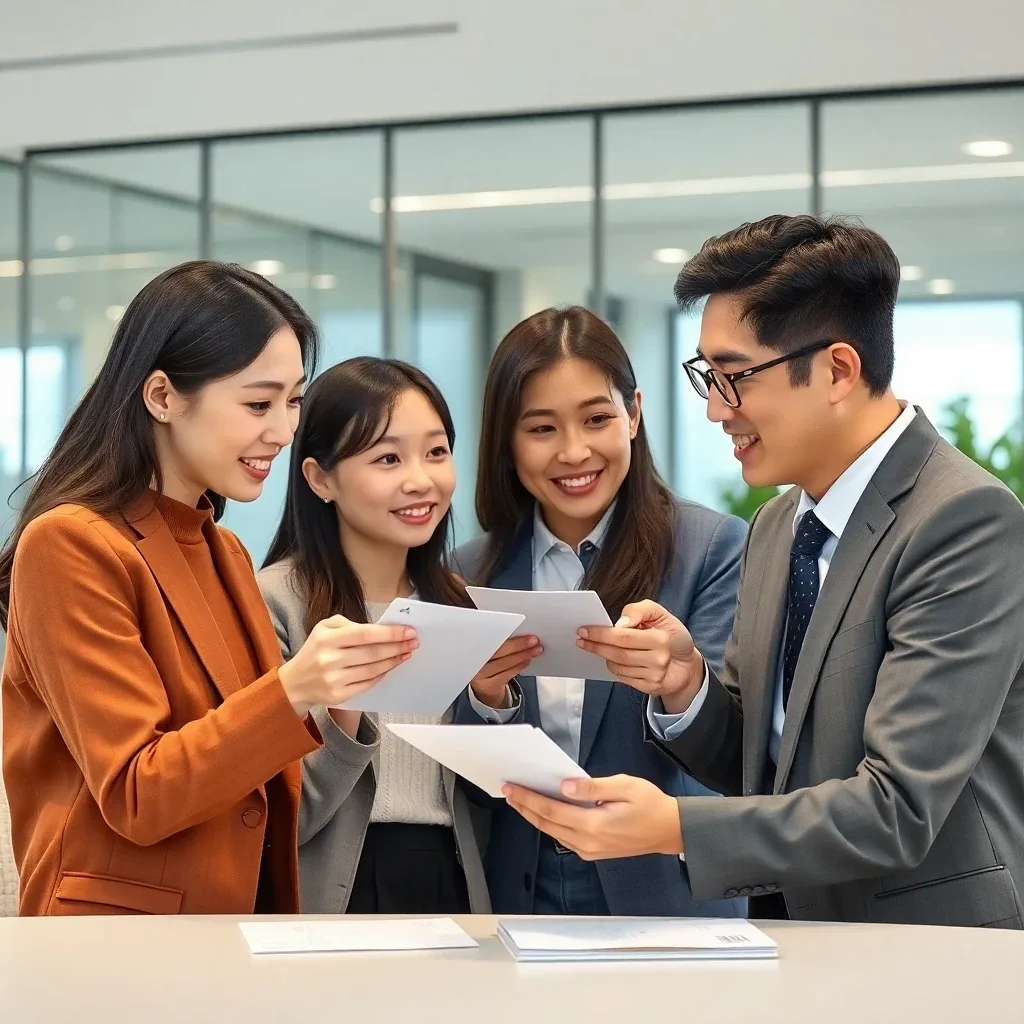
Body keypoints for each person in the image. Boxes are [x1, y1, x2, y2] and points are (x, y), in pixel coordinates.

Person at [502, 215, 1024, 930]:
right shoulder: (781, 526)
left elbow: (897, 809)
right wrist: (685, 682)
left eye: (735, 377)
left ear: (838, 370)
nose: (717, 409)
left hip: (929, 947)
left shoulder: (962, 520)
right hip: (793, 937)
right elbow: (760, 766)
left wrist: (674, 827)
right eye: (708, 378)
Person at [0, 262, 417, 916]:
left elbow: (255, 790)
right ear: (163, 397)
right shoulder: (70, 544)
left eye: (293, 401)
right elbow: (139, 794)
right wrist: (295, 688)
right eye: (258, 403)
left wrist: (335, 704)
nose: (282, 430)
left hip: (231, 941)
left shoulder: (223, 550)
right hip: (117, 954)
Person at [453, 306, 747, 918]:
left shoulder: (712, 547)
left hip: (665, 891)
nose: (574, 451)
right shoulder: (470, 570)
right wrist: (487, 696)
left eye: (597, 418)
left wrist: (683, 682)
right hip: (520, 889)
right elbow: (465, 778)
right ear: (506, 441)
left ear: (633, 414)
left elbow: (736, 754)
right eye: (541, 429)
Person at [258, 357, 489, 915]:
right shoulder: (274, 603)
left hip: (453, 884)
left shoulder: (463, 602)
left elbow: (492, 808)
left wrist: (492, 699)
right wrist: (343, 715)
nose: (420, 479)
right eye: (387, 458)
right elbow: (275, 821)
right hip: (332, 884)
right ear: (319, 479)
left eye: (436, 452)